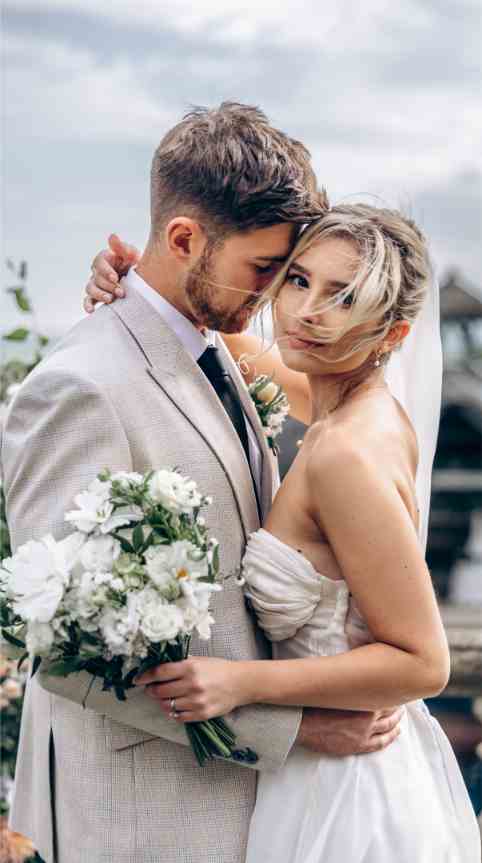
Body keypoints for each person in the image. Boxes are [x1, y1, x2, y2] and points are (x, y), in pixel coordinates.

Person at [1, 103, 402, 863]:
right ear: (185, 239)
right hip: (147, 821)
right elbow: (62, 656)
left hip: (253, 812)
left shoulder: (220, 349)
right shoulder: (79, 388)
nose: (279, 299)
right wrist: (300, 727)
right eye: (264, 270)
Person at [87, 203, 480, 861]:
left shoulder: (346, 454)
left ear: (393, 332)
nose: (305, 312)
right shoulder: (336, 393)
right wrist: (127, 280)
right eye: (299, 279)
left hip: (347, 788)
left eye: (344, 296)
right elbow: (205, 339)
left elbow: (424, 660)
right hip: (317, 770)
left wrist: (241, 683)